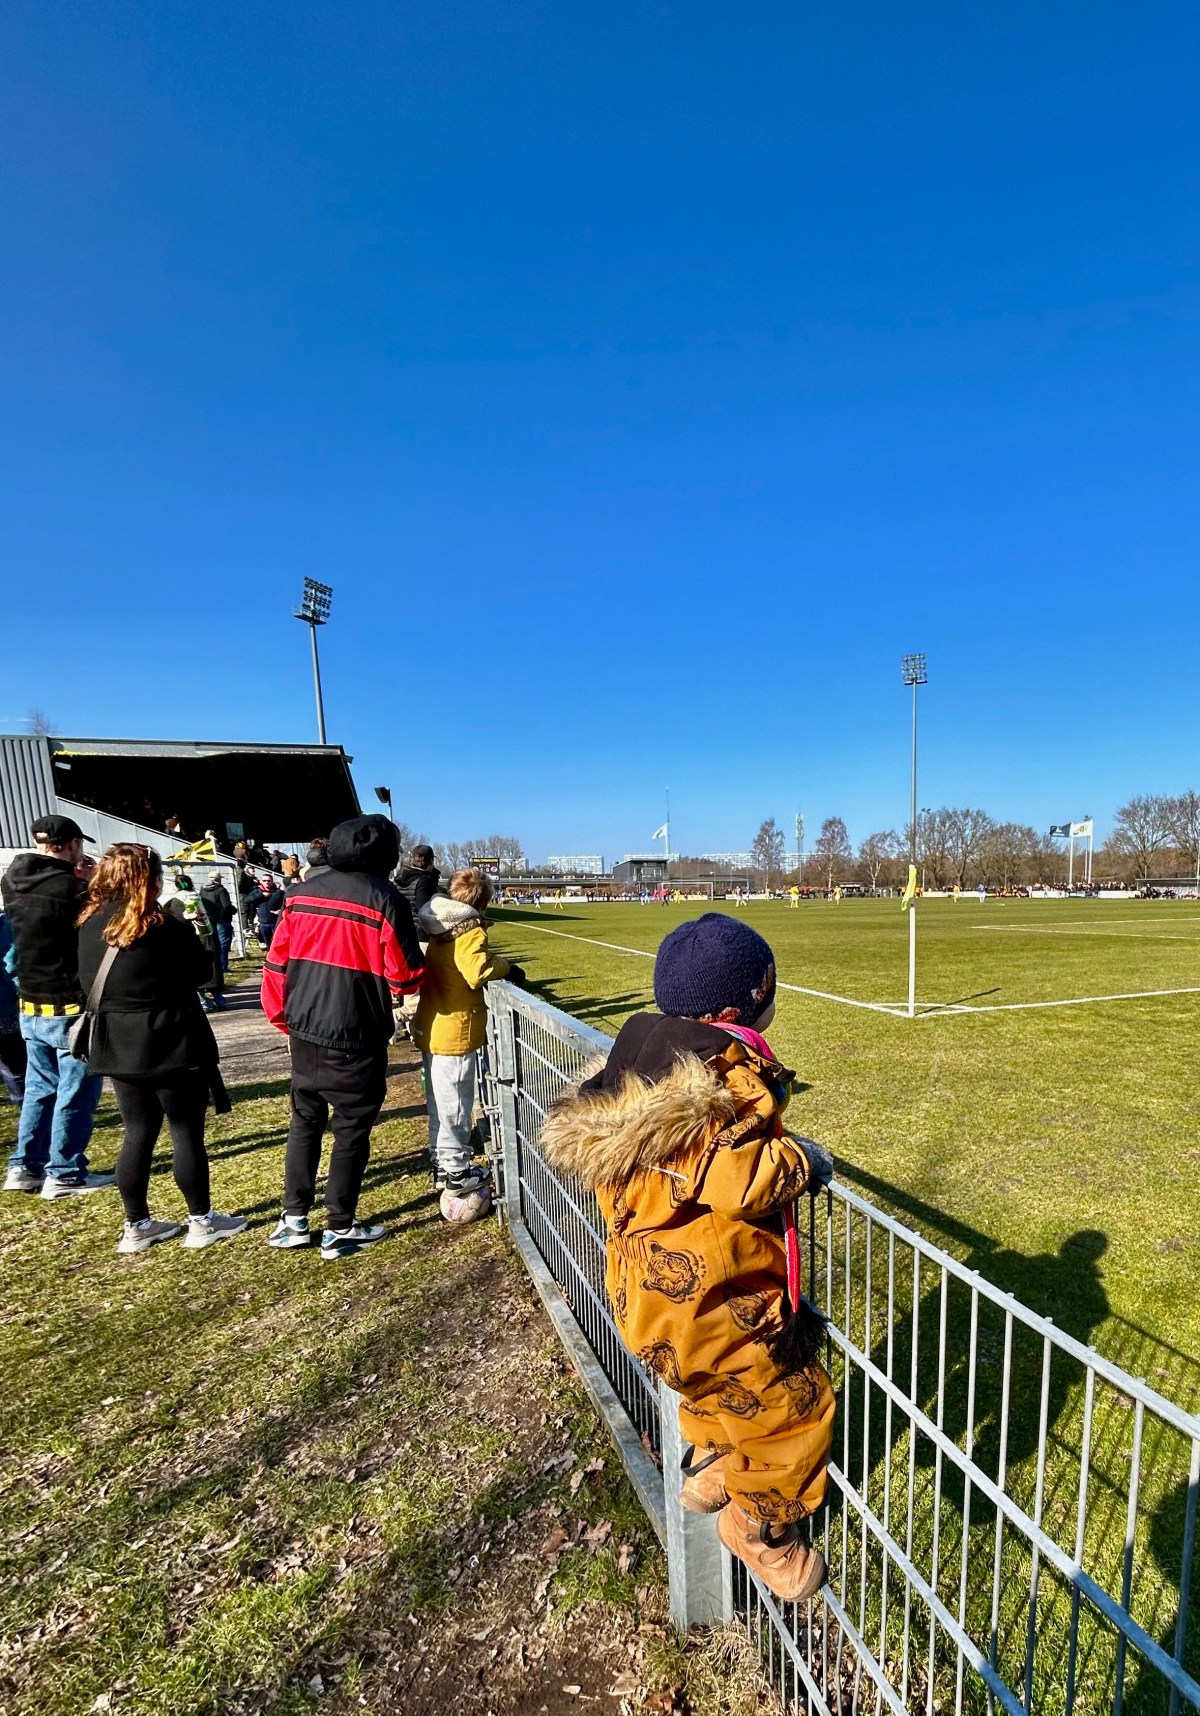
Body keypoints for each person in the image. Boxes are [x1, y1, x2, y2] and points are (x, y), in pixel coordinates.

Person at [539, 913, 835, 1602]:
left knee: (704, 1382)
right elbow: (743, 1179)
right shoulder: (720, 1084)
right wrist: (803, 1159)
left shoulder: (633, 1074)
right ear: (742, 1007)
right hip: (716, 1303)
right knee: (794, 1408)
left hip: (646, 1300)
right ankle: (760, 1529)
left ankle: (712, 1466)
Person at [261, 814, 424, 1260]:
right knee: (351, 1129)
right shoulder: (385, 898)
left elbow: (276, 963)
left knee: (304, 1122)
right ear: (387, 856)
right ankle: (340, 1225)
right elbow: (406, 975)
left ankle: (293, 1219)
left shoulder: (299, 894)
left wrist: (283, 1018)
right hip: (356, 1031)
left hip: (304, 1028)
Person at [77, 844, 245, 1254]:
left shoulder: (88, 923)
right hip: (170, 1038)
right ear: (147, 879)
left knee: (137, 1131)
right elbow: (201, 974)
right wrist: (199, 934)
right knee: (185, 1129)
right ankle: (201, 1220)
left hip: (117, 1042)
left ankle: (136, 1224)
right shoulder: (162, 925)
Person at [1, 815, 111, 1197]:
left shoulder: (12, 880)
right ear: (74, 844)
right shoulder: (72, 889)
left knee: (39, 1087)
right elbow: (100, 924)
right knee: (76, 1091)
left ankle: (25, 1165)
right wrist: (94, 883)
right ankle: (65, 1172)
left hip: (30, 1000)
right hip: (68, 1002)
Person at [412, 868, 525, 1223]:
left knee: (439, 1101)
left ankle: (441, 1161)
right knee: (456, 1105)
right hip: (455, 1030)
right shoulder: (469, 928)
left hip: (433, 1023)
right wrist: (507, 967)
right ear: (483, 902)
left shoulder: (440, 925)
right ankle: (457, 1169)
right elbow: (476, 971)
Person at [165, 874, 225, 1011]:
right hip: (209, 937)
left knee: (194, 972)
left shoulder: (175, 902)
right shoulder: (201, 898)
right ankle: (220, 1001)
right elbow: (219, 912)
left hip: (191, 941)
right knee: (212, 970)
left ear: (176, 886)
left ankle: (204, 1003)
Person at [0, 910, 26, 1104]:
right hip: (6, 1011)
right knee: (17, 1066)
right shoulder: (3, 923)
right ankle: (25, 1106)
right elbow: (10, 965)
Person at [200, 872, 236, 974]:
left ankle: (213, 965)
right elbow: (226, 905)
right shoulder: (221, 890)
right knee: (223, 943)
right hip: (222, 919)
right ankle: (223, 965)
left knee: (212, 943)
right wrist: (234, 910)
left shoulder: (202, 889)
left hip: (208, 919)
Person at [395, 844, 440, 921]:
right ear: (431, 861)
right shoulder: (425, 881)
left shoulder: (398, 878)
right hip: (417, 925)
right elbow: (424, 912)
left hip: (398, 923)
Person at [254, 876, 286, 949]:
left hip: (275, 922)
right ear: (261, 882)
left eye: (268, 881)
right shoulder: (257, 891)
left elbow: (285, 903)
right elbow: (247, 900)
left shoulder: (279, 893)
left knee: (278, 942)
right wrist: (260, 894)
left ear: (272, 881)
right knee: (267, 944)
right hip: (263, 922)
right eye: (264, 881)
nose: (267, 882)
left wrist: (281, 911)